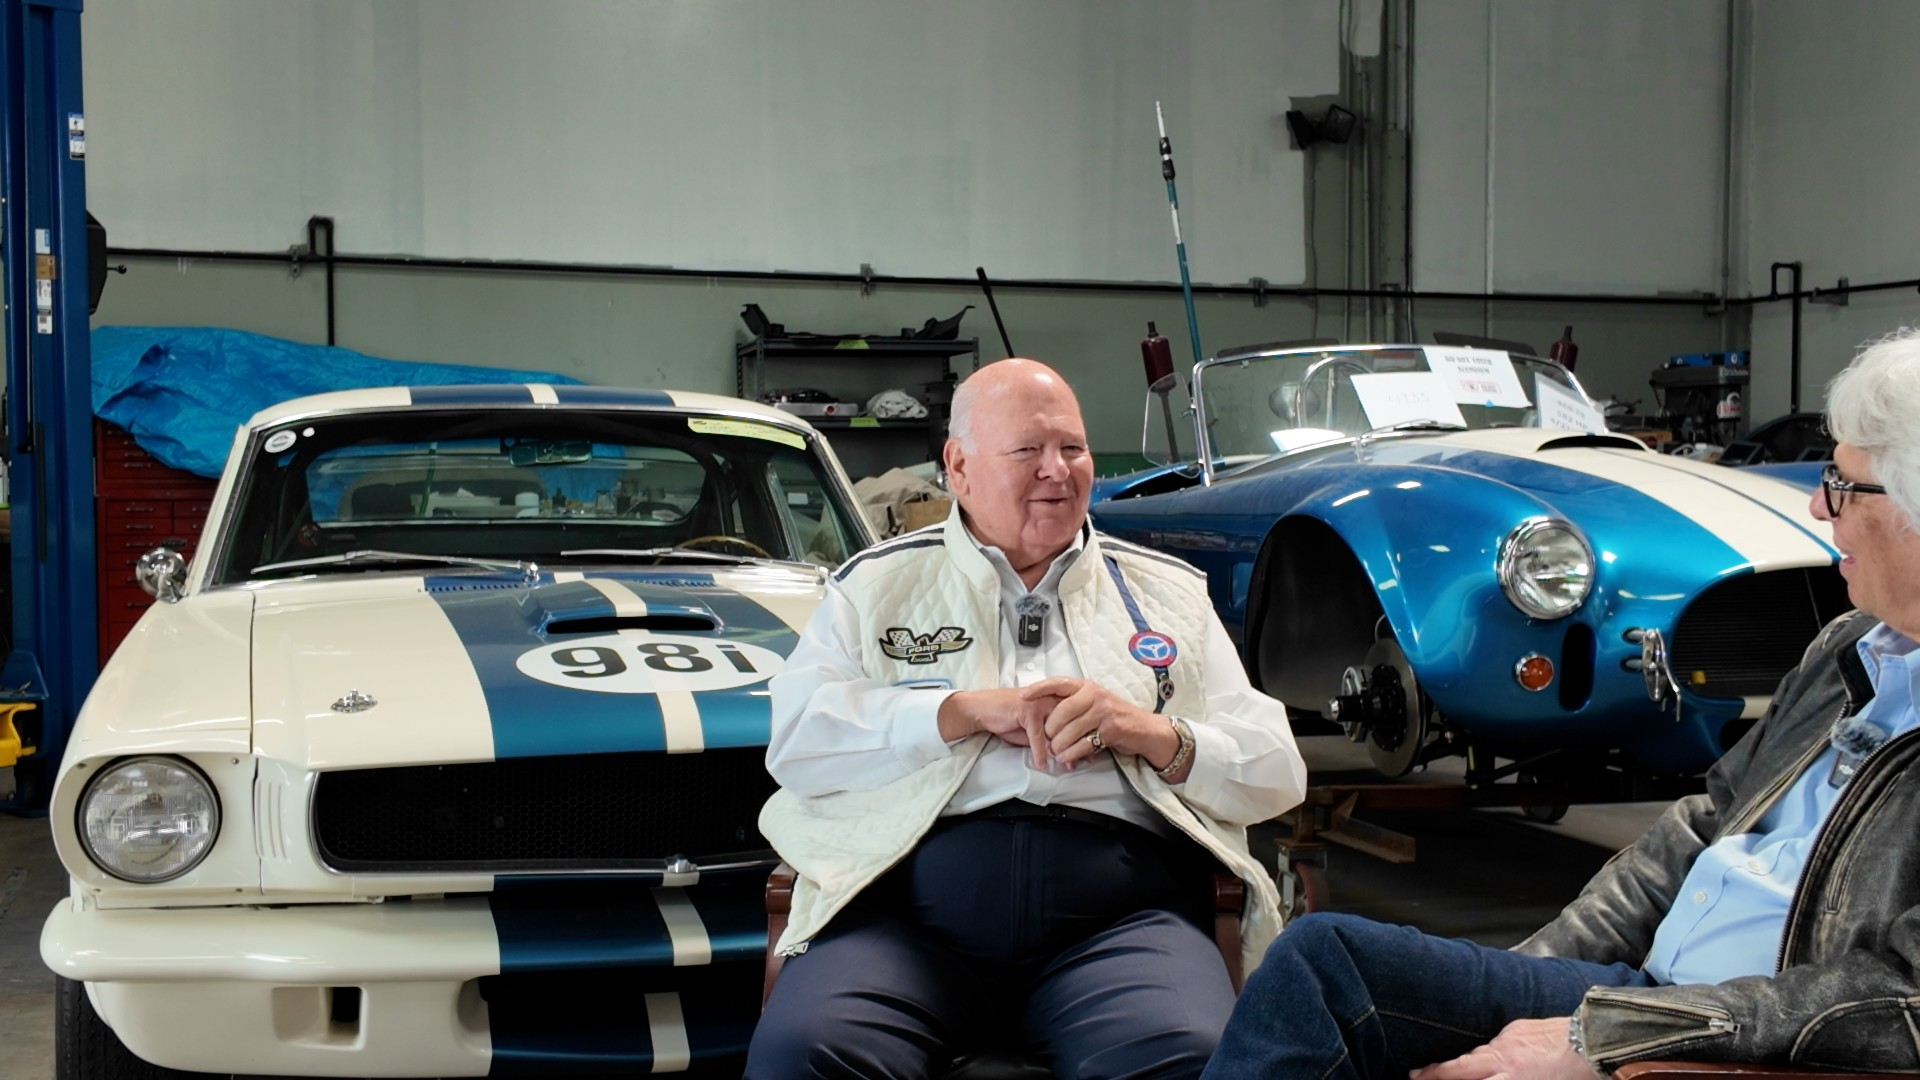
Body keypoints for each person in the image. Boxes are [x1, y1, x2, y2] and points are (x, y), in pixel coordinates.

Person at [1200, 328, 1920, 1080]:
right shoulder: (1846, 649)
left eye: (1843, 484)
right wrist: (1527, 986)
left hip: (1734, 1046)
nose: (1817, 505)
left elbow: (1904, 1005)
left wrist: (1605, 1038)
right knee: (1322, 960)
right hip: (1652, 997)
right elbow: (1704, 825)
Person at [748, 358, 1308, 1079]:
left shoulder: (1166, 595)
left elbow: (1277, 771)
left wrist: (1149, 733)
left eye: (1073, 448)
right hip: (902, 916)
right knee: (806, 1051)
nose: (1058, 471)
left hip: (1120, 926)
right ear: (959, 466)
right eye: (1028, 450)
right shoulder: (875, 588)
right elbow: (797, 743)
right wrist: (955, 713)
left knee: (1192, 1057)